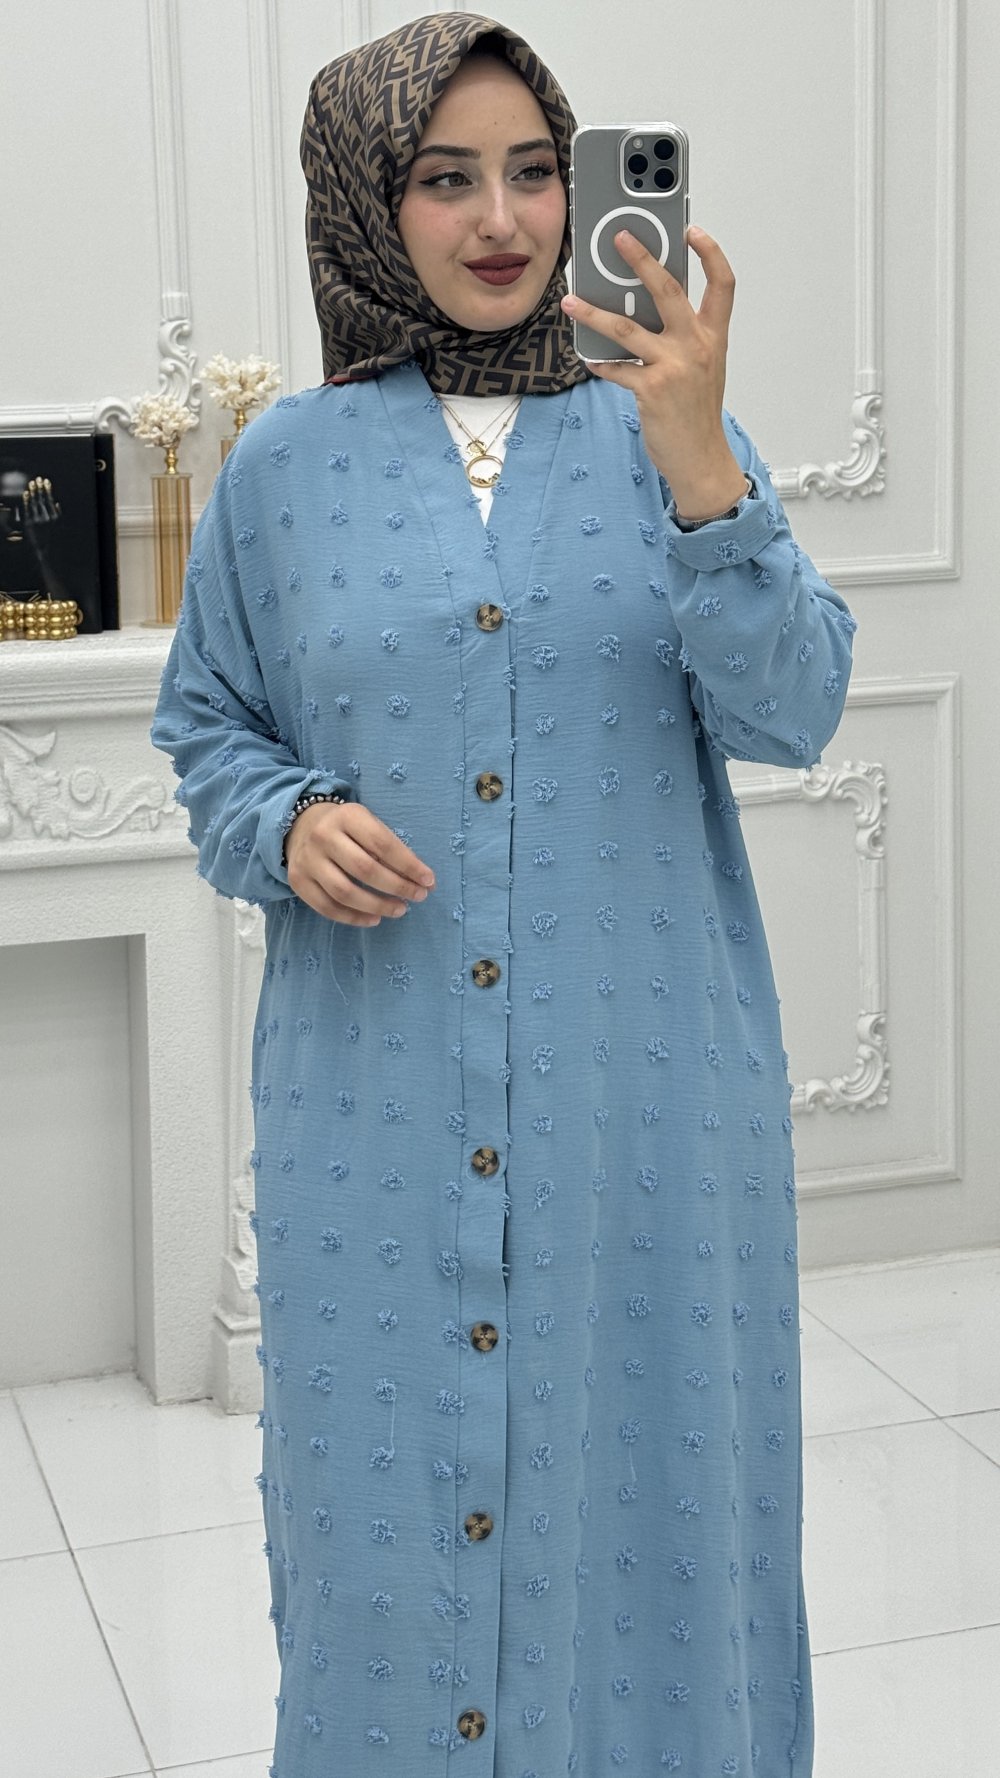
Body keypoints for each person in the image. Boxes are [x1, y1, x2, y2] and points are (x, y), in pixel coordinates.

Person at [151, 13, 856, 1776]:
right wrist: (286, 822)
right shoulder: (281, 472)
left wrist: (702, 467)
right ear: (364, 201)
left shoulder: (669, 429)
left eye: (536, 172)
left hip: (639, 1120)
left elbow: (796, 709)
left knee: (653, 1510)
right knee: (378, 1530)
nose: (501, 219)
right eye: (444, 177)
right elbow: (208, 727)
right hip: (373, 1117)